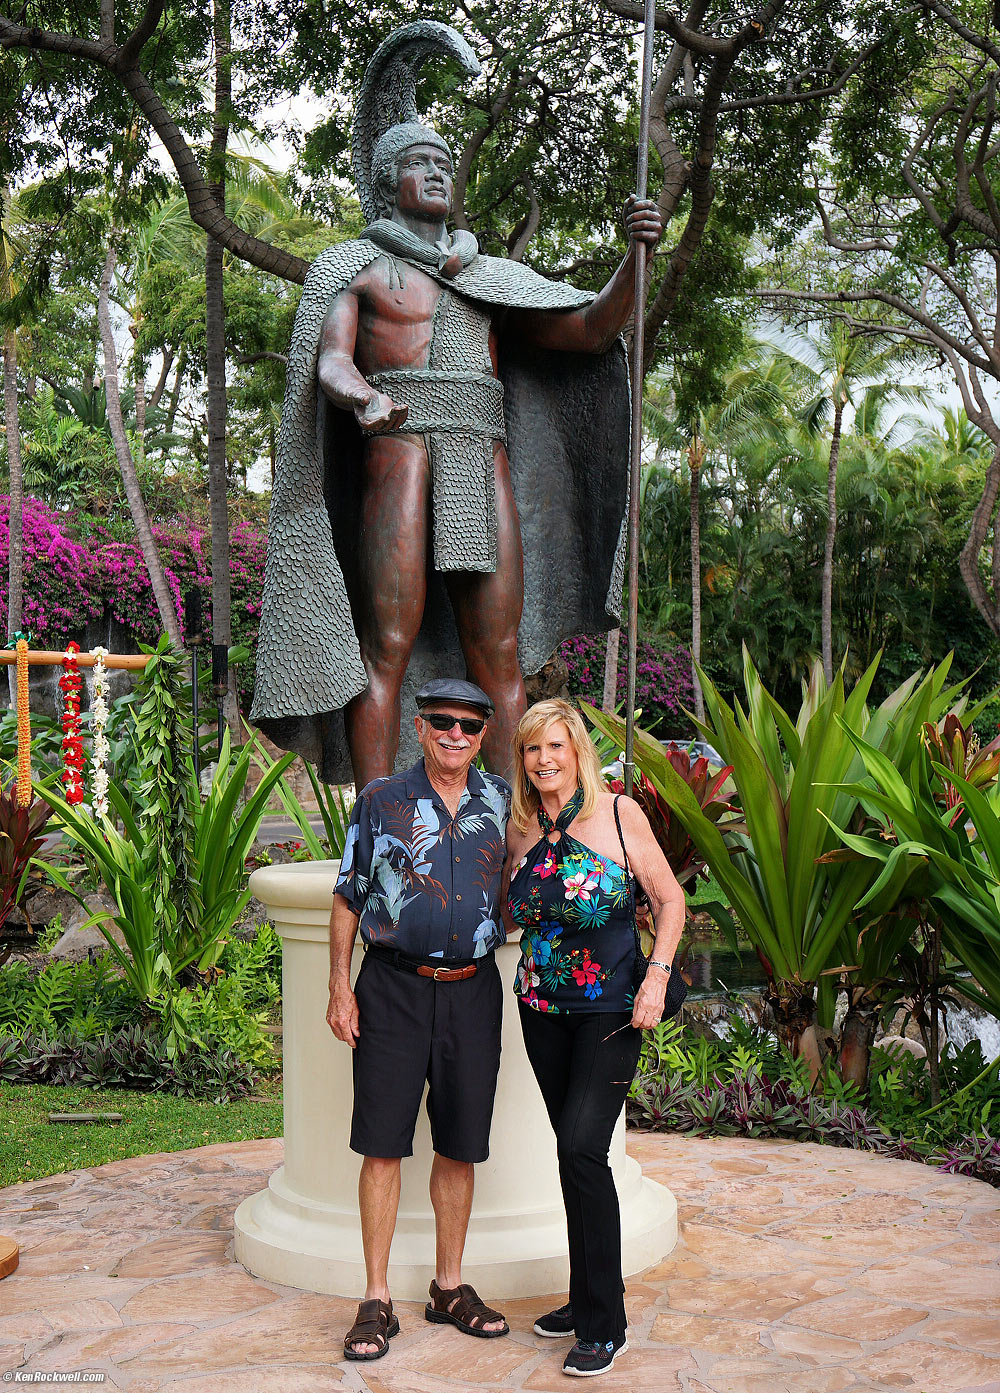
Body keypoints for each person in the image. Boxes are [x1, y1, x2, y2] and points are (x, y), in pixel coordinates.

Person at [251, 21, 663, 788]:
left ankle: (511, 830)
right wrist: (366, 398)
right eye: (417, 162)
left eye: (443, 162)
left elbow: (591, 327)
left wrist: (634, 261)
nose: (436, 174)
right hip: (399, 452)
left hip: (481, 456)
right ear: (385, 181)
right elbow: (331, 363)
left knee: (498, 656)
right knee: (386, 647)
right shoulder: (359, 268)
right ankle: (375, 832)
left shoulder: (489, 277)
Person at [327, 677, 512, 1361]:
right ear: (420, 727)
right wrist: (339, 987)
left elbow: (531, 877)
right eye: (443, 722)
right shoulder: (381, 801)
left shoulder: (500, 801)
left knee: (460, 1143)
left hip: (472, 991)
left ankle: (448, 1287)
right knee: (381, 1143)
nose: (456, 735)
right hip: (393, 989)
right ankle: (375, 1297)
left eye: (469, 725)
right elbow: (349, 895)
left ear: (484, 734)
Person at [504, 699, 685, 1378]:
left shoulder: (618, 815)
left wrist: (657, 976)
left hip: (611, 1008)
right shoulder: (521, 830)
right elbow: (503, 910)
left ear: (577, 748)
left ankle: (607, 1324)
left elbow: (670, 900)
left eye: (554, 745)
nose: (543, 760)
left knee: (584, 1145)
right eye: (531, 749)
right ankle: (584, 1300)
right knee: (571, 1153)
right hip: (540, 1010)